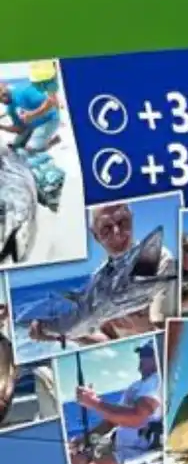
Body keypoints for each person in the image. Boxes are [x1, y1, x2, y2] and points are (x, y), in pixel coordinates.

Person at [28, 202, 176, 346]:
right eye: (106, 228)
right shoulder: (97, 278)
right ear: (96, 236)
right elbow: (107, 340)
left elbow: (168, 338)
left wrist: (144, 327)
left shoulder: (160, 259)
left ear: (132, 219)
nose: (117, 232)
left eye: (123, 222)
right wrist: (58, 336)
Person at [71, 340, 162, 464]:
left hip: (139, 452)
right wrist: (84, 439)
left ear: (158, 358)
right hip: (118, 445)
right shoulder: (135, 386)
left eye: (146, 354)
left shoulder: (158, 381)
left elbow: (137, 418)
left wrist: (93, 402)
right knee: (72, 457)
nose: (141, 358)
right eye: (141, 354)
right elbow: (112, 421)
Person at [0, 60, 65, 211]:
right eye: (0, 99)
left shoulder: (23, 92)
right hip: (32, 126)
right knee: (14, 148)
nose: (2, 99)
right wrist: (2, 126)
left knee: (28, 151)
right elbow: (19, 128)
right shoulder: (10, 108)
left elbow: (52, 102)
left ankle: (50, 147)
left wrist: (33, 114)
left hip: (49, 120)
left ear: (5, 86)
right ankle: (50, 142)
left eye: (2, 94)